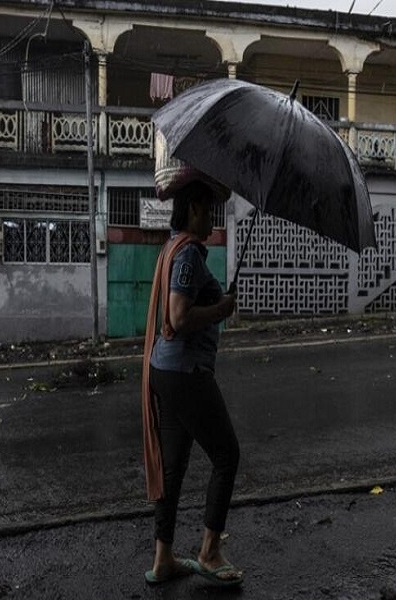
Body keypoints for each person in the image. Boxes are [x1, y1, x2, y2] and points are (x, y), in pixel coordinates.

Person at [141, 179, 244, 587]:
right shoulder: (186, 255)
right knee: (227, 455)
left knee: (173, 466)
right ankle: (209, 551)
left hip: (167, 372)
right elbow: (179, 317)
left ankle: (164, 558)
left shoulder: (174, 247)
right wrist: (222, 308)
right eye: (209, 212)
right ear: (195, 210)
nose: (213, 221)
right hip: (185, 373)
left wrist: (218, 306)